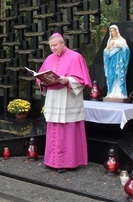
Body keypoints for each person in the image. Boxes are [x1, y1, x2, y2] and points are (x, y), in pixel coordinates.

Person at [37, 33, 92, 173]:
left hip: (68, 98)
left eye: (55, 45)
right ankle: (52, 161)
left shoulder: (76, 57)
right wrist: (41, 80)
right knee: (53, 128)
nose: (53, 48)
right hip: (54, 97)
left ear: (62, 43)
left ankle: (68, 162)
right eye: (51, 46)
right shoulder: (49, 58)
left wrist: (67, 80)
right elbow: (41, 76)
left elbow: (82, 80)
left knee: (68, 130)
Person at [103, 24, 130, 99]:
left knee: (119, 76)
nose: (112, 32)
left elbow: (127, 50)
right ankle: (111, 92)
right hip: (111, 62)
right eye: (111, 31)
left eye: (113, 31)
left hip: (119, 62)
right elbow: (106, 53)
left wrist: (121, 46)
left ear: (116, 31)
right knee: (111, 76)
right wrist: (107, 49)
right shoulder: (110, 41)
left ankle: (120, 92)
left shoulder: (122, 40)